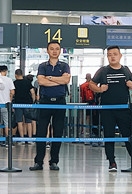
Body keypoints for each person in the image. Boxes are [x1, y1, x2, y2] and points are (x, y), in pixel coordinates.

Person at [89, 46, 132, 172]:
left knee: (129, 135)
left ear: (120, 55)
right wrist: (99, 89)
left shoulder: (126, 70)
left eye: (115, 54)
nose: (112, 56)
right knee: (109, 135)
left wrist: (131, 85)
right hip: (107, 109)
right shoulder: (103, 71)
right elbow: (91, 84)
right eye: (110, 54)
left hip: (123, 108)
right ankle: (112, 162)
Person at [30, 41, 70, 171]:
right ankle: (39, 162)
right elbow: (41, 81)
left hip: (60, 102)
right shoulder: (42, 66)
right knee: (41, 132)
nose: (54, 51)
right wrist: (58, 80)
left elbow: (66, 80)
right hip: (45, 102)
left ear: (60, 51)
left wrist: (50, 78)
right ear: (47, 51)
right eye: (51, 49)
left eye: (57, 49)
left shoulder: (64, 65)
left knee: (57, 132)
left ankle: (54, 161)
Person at [12, 69, 35, 141]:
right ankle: (30, 138)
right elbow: (33, 92)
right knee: (29, 122)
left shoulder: (14, 83)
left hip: (18, 104)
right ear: (22, 74)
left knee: (19, 121)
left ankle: (21, 139)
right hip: (28, 104)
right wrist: (33, 101)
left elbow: (12, 93)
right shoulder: (27, 82)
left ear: (16, 75)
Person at [0, 65, 15, 145]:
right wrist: (10, 100)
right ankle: (8, 140)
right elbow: (12, 92)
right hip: (6, 104)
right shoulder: (9, 80)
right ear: (6, 71)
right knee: (7, 123)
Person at [79, 73, 97, 138]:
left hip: (85, 103)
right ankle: (90, 131)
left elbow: (81, 96)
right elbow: (95, 94)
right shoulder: (93, 85)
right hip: (93, 103)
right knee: (92, 118)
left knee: (84, 117)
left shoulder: (82, 86)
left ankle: (82, 131)